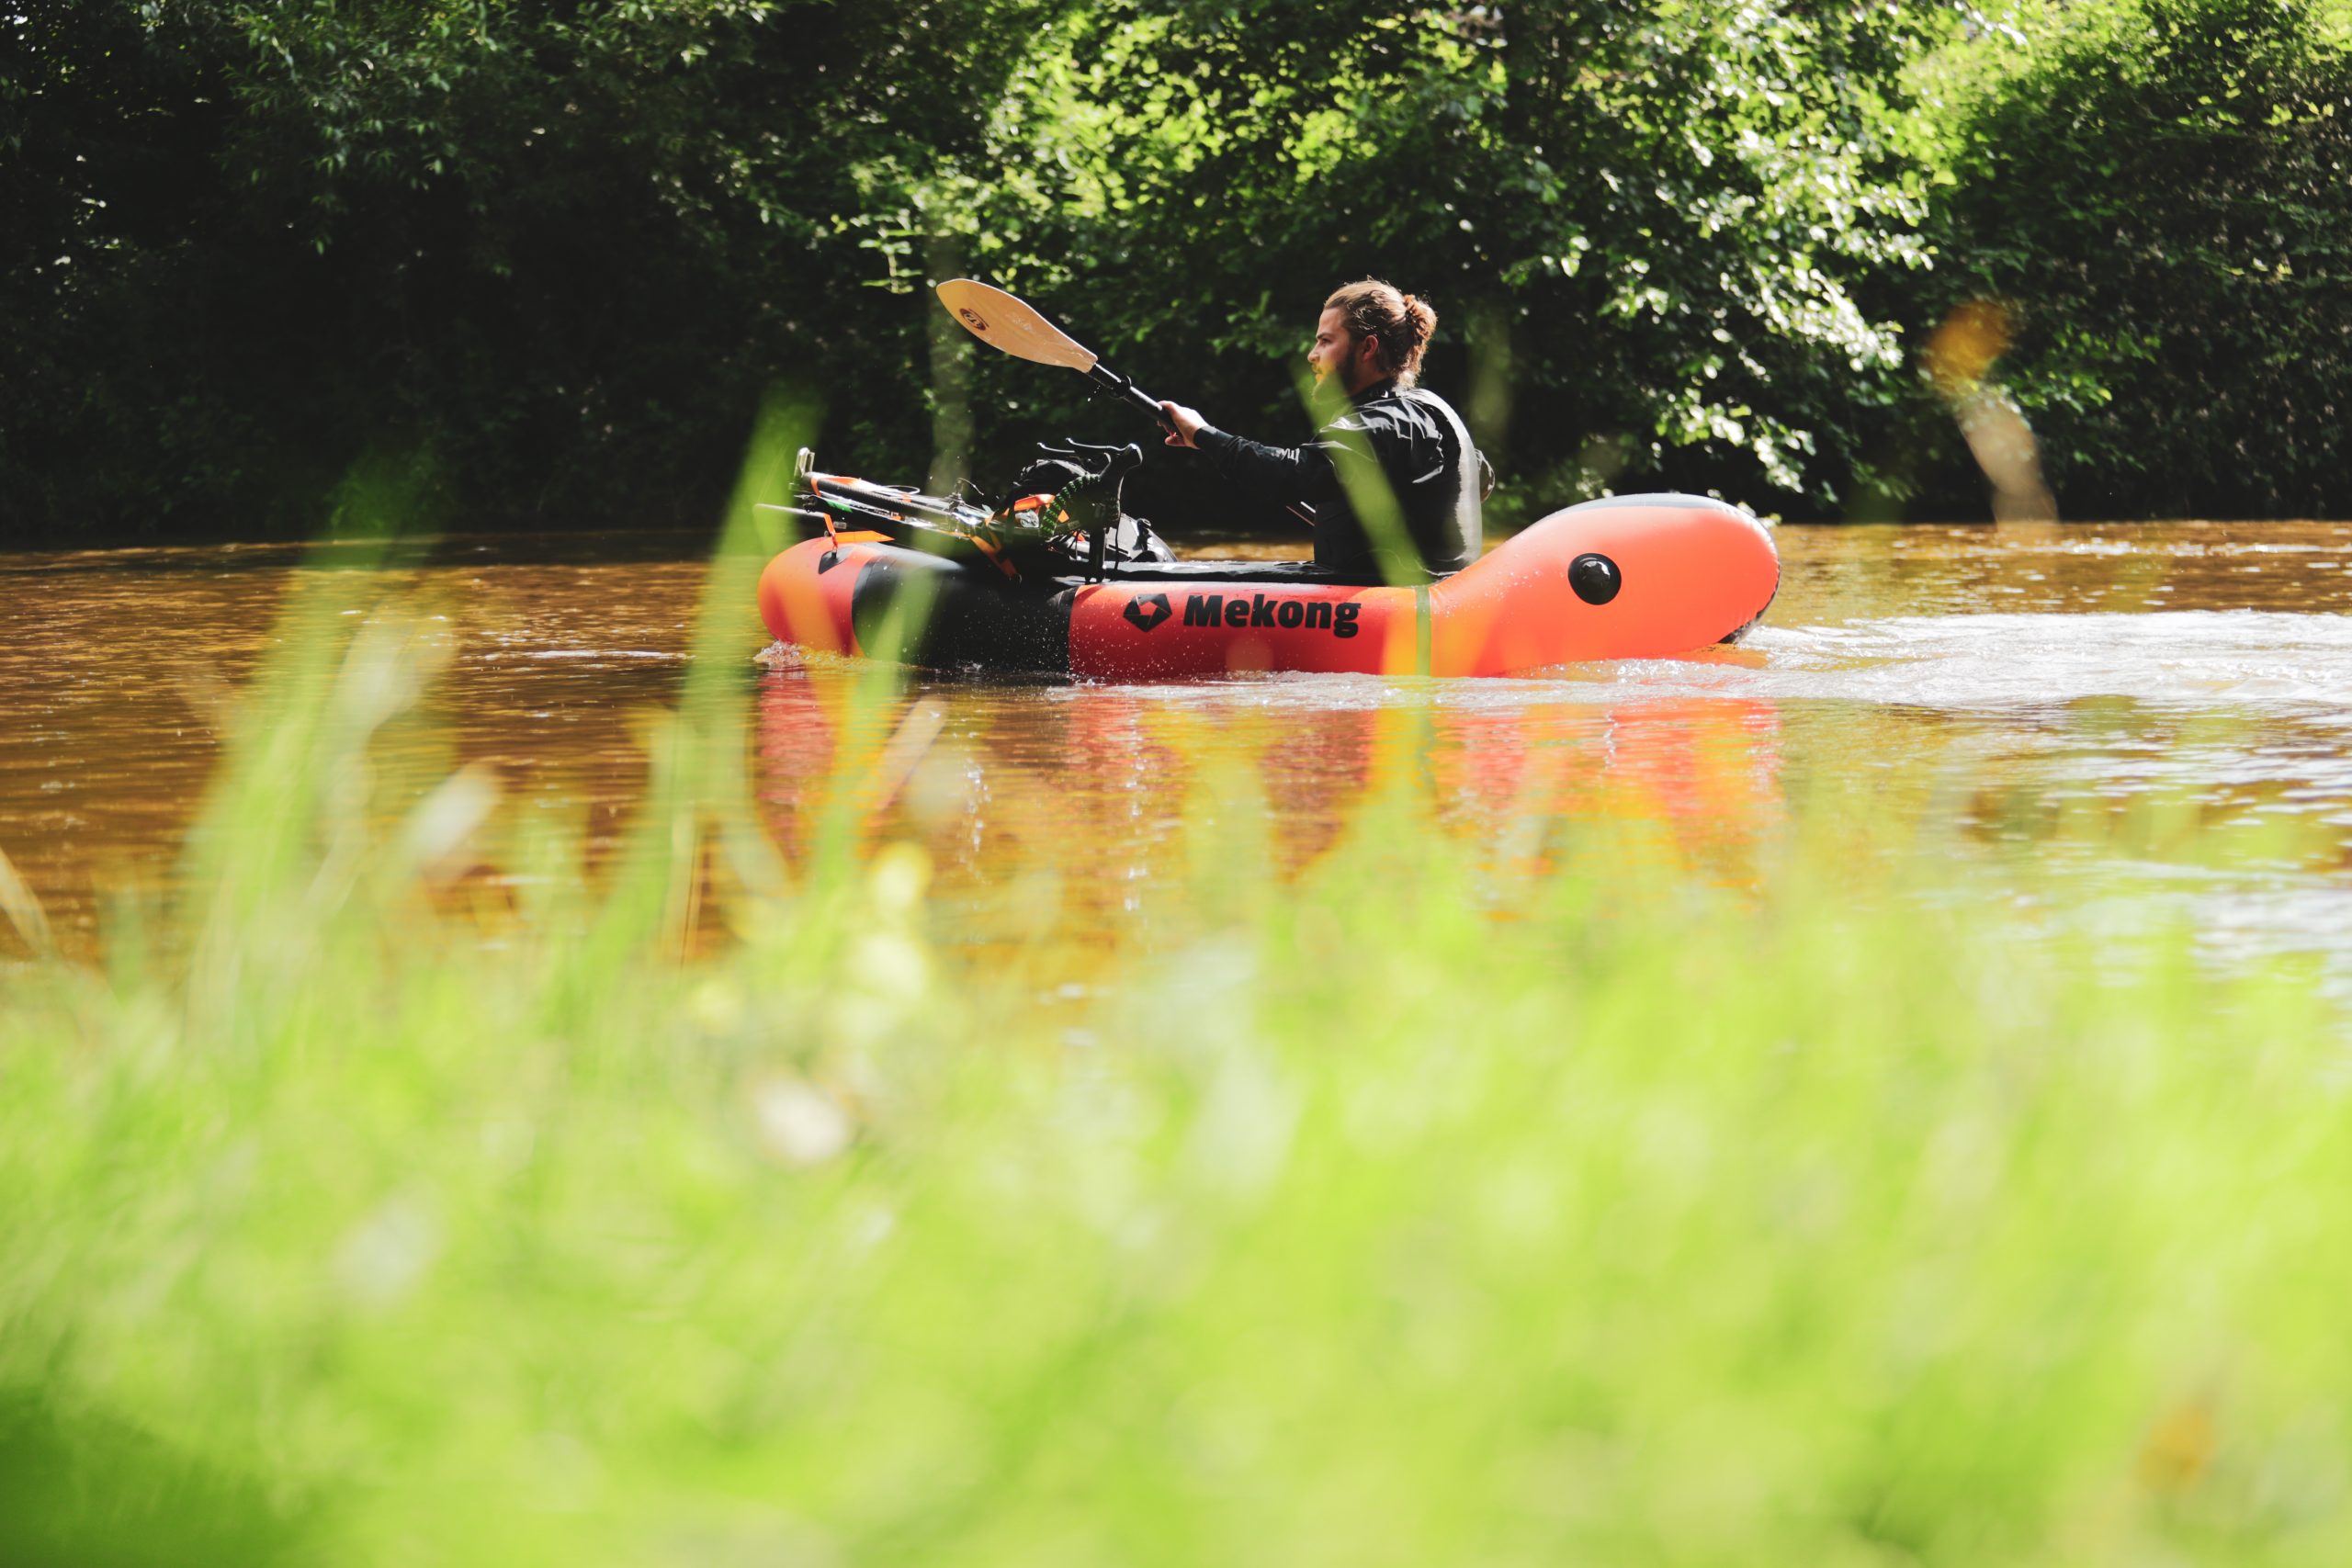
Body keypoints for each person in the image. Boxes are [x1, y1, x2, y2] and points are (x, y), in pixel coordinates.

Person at [1159, 280, 1483, 579]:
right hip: (1426, 597)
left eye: (1325, 341)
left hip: (1401, 610)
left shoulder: (1387, 422)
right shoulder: (1427, 410)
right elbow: (1481, 476)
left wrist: (1203, 434)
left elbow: (1297, 473)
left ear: (1367, 348)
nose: (1312, 355)